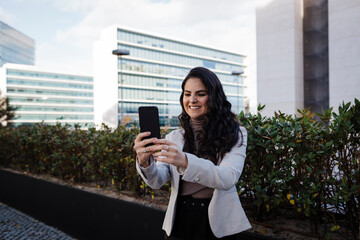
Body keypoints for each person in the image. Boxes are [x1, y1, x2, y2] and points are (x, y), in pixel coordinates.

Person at [134, 67, 251, 239]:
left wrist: (185, 161)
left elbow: (228, 177)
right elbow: (156, 181)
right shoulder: (174, 136)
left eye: (200, 94)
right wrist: (145, 162)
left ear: (214, 96)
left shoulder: (236, 132)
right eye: (187, 94)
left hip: (216, 222)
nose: (192, 100)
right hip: (179, 219)